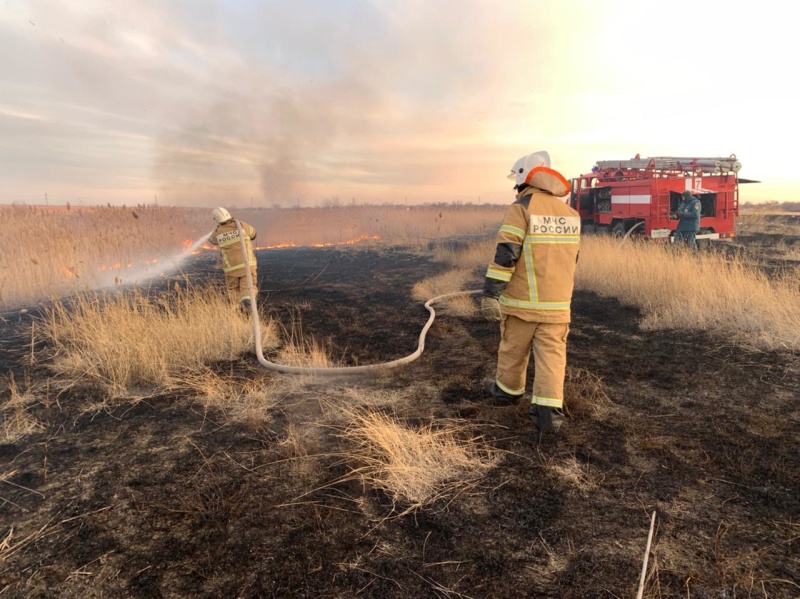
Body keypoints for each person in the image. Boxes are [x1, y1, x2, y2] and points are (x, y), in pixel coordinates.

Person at [481, 151, 581, 433]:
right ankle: (549, 418)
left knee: (513, 349)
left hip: (522, 303)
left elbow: (506, 254)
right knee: (552, 358)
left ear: (525, 177)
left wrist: (490, 294)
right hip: (558, 306)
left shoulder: (521, 208)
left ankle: (507, 393)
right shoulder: (570, 214)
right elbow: (572, 259)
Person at [207, 207, 258, 312]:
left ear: (216, 219)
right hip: (247, 265)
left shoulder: (218, 232)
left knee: (233, 291)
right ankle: (248, 310)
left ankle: (235, 313)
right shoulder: (241, 225)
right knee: (248, 289)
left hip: (231, 269)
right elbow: (254, 234)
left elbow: (212, 240)